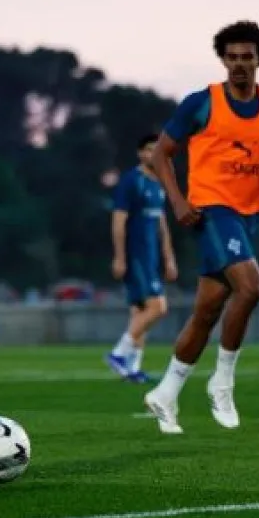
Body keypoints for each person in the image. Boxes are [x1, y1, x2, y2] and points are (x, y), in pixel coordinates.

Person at [142, 20, 259, 434]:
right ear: (222, 59)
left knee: (206, 312)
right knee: (252, 287)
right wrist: (179, 201)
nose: (239, 65)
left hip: (247, 216)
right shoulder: (201, 103)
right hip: (210, 212)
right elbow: (161, 156)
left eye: (247, 58)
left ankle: (165, 393)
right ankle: (222, 383)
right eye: (232, 57)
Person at [106, 134, 178, 383]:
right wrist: (120, 257)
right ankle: (119, 353)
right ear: (140, 153)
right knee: (158, 307)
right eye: (148, 150)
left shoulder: (158, 183)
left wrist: (169, 258)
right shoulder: (131, 181)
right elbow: (118, 221)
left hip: (152, 256)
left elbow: (162, 224)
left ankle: (132, 368)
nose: (153, 155)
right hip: (136, 255)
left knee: (140, 311)